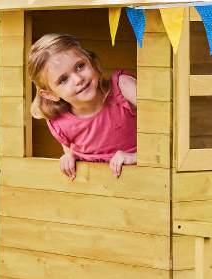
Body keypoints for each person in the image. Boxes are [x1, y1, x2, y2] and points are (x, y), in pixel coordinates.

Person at [25, 34, 138, 179]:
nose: (78, 79)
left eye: (80, 66)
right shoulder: (61, 123)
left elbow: (167, 129)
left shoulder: (123, 88)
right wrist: (69, 158)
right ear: (50, 94)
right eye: (63, 79)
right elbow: (72, 155)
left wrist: (137, 157)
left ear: (90, 61)